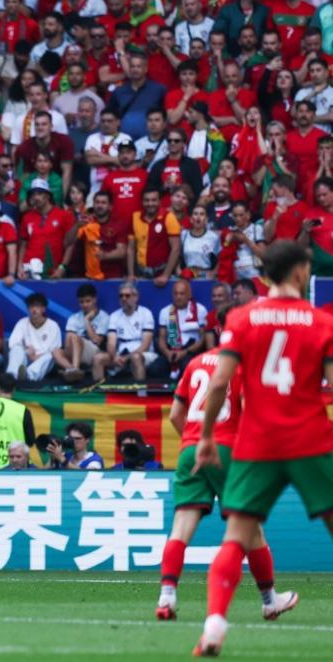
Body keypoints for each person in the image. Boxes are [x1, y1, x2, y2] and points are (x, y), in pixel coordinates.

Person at [192, 241, 330, 655]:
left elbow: (219, 382)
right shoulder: (321, 321)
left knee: (236, 537)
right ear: (300, 271)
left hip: (257, 441)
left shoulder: (242, 317)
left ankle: (214, 626)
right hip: (310, 438)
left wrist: (205, 437)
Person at [162, 334, 293, 622]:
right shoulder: (242, 366)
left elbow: (174, 415)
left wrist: (195, 443)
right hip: (227, 449)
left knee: (181, 526)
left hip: (190, 449)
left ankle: (167, 595)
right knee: (251, 528)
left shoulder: (195, 362)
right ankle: (270, 600)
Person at [96, 281, 158, 381]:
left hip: (144, 353)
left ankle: (140, 390)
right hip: (121, 353)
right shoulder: (114, 316)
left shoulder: (146, 313)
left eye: (127, 296)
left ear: (136, 297)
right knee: (98, 358)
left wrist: (127, 357)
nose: (123, 299)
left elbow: (145, 345)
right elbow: (111, 344)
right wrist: (114, 356)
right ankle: (98, 390)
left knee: (135, 357)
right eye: (121, 296)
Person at [54, 283, 110, 383]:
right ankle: (72, 370)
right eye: (81, 302)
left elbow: (96, 341)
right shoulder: (74, 318)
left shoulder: (104, 317)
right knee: (56, 352)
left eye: (88, 301)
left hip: (95, 351)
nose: (84, 305)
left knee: (76, 337)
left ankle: (74, 369)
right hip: (76, 351)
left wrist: (87, 320)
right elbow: (68, 343)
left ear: (95, 300)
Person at [156, 279, 207, 380]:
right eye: (176, 294)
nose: (178, 297)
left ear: (189, 295)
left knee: (186, 366)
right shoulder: (165, 311)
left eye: (182, 294)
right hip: (172, 349)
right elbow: (162, 338)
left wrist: (185, 352)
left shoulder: (200, 310)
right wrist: (167, 352)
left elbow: (203, 339)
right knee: (155, 369)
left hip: (191, 350)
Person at [5, 292, 61, 383]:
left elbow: (54, 350)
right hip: (25, 358)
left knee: (50, 356)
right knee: (16, 349)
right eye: (31, 306)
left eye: (37, 306)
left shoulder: (53, 326)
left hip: (42, 361)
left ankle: (28, 376)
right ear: (28, 309)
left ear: (43, 309)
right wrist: (26, 350)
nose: (34, 309)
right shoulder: (22, 323)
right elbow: (13, 343)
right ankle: (12, 376)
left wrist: (36, 357)